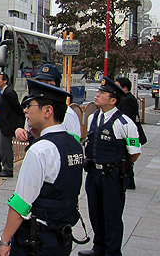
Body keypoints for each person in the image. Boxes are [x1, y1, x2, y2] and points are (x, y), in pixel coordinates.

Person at [0, 79, 84, 256]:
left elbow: (21, 204)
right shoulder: (74, 145)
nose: (26, 111)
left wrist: (4, 241)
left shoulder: (40, 151)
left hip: (36, 242)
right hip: (61, 239)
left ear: (47, 111)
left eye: (31, 105)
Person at [78, 77, 141, 256]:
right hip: (93, 173)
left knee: (112, 216)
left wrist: (120, 167)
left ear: (113, 100)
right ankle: (99, 247)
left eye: (102, 93)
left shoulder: (124, 123)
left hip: (112, 176)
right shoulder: (93, 117)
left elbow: (134, 151)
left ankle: (112, 251)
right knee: (96, 213)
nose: (97, 95)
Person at [15, 64, 82, 145]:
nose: (42, 87)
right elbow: (29, 132)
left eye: (48, 83)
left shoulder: (68, 113)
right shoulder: (34, 108)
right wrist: (20, 131)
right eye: (39, 83)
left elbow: (73, 145)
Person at [0, 72, 25, 177]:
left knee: (5, 146)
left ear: (5, 81)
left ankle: (8, 169)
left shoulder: (9, 92)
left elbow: (17, 108)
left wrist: (19, 123)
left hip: (7, 123)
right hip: (2, 122)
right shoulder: (2, 91)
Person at [115, 77, 139, 190]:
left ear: (124, 88)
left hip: (127, 133)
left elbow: (127, 118)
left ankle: (129, 181)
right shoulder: (127, 98)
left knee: (126, 157)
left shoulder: (126, 100)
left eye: (118, 86)